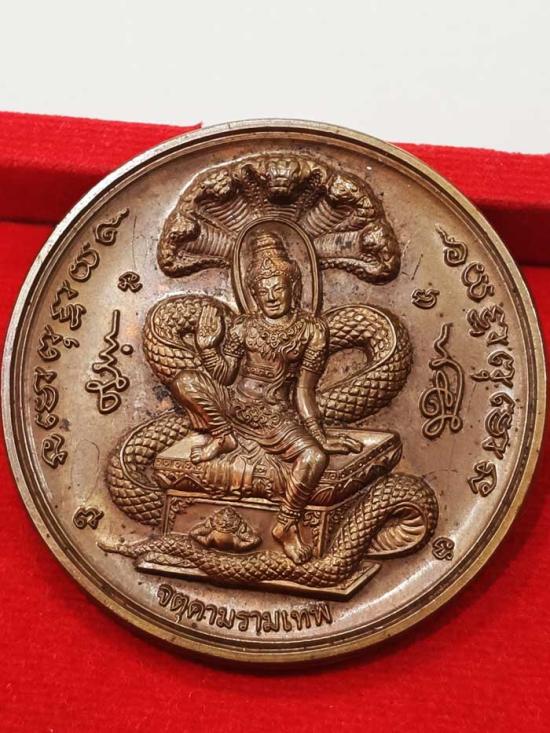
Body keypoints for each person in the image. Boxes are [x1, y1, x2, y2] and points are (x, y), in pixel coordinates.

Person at [170, 230, 360, 564]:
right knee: (185, 381)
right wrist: (207, 348)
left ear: (293, 288)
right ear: (254, 293)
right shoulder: (243, 326)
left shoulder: (311, 330)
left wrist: (318, 435)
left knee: (314, 458)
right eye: (264, 290)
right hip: (234, 406)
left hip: (274, 416)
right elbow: (226, 376)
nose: (271, 297)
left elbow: (304, 390)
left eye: (278, 288)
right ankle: (223, 437)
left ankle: (286, 524)